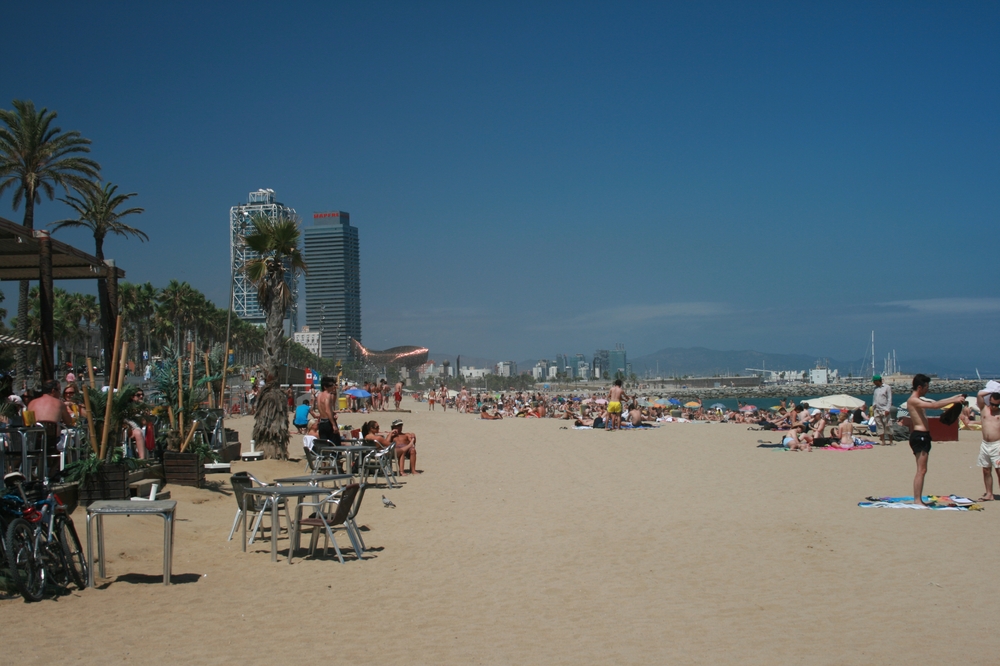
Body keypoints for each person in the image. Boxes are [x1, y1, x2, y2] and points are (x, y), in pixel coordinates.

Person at [905, 374, 966, 506]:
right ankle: (917, 500)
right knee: (921, 470)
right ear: (920, 387)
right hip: (919, 436)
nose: (928, 389)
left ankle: (918, 499)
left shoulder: (919, 399)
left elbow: (937, 402)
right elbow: (934, 405)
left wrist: (956, 397)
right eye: (926, 387)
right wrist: (954, 401)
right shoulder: (913, 400)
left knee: (922, 470)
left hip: (924, 436)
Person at [27, 380, 75, 468]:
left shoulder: (31, 403)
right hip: (52, 442)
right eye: (59, 391)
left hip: (33, 442)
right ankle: (54, 470)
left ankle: (38, 470)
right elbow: (69, 422)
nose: (60, 394)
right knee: (69, 441)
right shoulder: (59, 403)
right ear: (53, 391)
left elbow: (28, 423)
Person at [975, 390, 1000, 501]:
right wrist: (993, 390)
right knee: (986, 469)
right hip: (985, 444)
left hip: (997, 444)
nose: (994, 407)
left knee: (999, 470)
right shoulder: (984, 409)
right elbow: (980, 394)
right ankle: (989, 494)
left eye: (996, 405)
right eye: (992, 404)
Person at [316, 375, 341, 445]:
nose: (333, 387)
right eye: (331, 385)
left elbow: (322, 409)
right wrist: (333, 425)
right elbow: (327, 410)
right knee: (335, 444)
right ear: (325, 387)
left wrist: (332, 413)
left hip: (322, 422)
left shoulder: (319, 396)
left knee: (324, 445)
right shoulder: (328, 395)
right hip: (328, 422)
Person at [872, 374, 893, 446]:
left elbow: (889, 399)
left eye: (874, 381)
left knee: (888, 425)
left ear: (878, 381)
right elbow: (874, 398)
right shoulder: (875, 389)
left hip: (884, 409)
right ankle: (883, 441)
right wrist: (873, 407)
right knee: (879, 425)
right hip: (877, 409)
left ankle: (890, 441)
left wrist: (888, 409)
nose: (874, 383)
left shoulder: (887, 387)